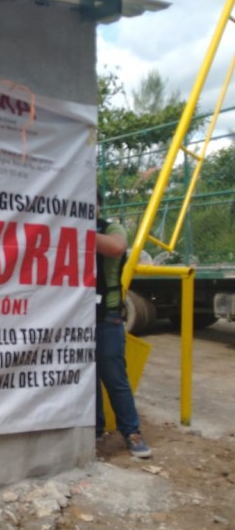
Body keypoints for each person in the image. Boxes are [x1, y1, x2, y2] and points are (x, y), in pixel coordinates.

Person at [95, 193, 152, 458]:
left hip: (107, 315)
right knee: (85, 379)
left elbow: (116, 247)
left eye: (90, 202)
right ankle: (93, 430)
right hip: (78, 318)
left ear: (97, 205)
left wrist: (75, 230)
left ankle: (131, 432)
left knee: (114, 376)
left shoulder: (111, 229)